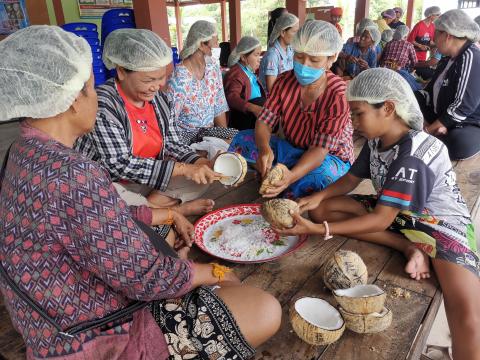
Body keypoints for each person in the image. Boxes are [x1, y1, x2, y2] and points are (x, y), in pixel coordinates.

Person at [0, 25, 282, 360]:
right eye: (90, 88)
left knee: (170, 245)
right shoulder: (73, 172)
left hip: (51, 323)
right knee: (263, 308)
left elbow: (89, 220)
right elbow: (145, 277)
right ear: (74, 98)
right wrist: (211, 272)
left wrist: (166, 213)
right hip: (91, 337)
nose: (96, 94)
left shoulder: (21, 152)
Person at [274, 68, 480, 360]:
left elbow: (381, 220)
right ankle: (408, 246)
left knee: (465, 313)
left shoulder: (412, 155)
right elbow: (350, 180)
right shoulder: (377, 140)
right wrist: (313, 199)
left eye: (358, 114)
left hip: (439, 225)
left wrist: (318, 230)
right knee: (322, 208)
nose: (353, 123)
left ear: (388, 108)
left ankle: (422, 249)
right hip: (396, 211)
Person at [76, 29, 219, 215]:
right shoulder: (104, 105)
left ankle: (151, 211)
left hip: (148, 180)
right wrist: (183, 168)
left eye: (162, 77)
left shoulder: (160, 100)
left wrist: (200, 163)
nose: (158, 85)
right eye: (149, 79)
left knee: (201, 179)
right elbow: (119, 164)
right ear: (121, 72)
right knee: (108, 201)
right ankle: (173, 211)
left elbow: (173, 142)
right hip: (114, 184)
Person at [230, 20, 354, 199]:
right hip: (293, 149)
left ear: (331, 59)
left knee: (318, 176)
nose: (304, 65)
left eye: (314, 59)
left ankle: (286, 180)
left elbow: (319, 151)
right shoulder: (284, 81)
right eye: (299, 56)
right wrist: (265, 149)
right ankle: (280, 175)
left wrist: (291, 177)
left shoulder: (338, 94)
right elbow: (264, 121)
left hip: (328, 159)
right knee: (242, 140)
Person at [415, 10, 480, 161]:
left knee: (459, 143)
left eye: (436, 33)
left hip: (466, 122)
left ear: (447, 35)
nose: (433, 39)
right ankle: (440, 129)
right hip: (441, 114)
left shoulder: (471, 57)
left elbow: (463, 106)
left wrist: (427, 130)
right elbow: (429, 91)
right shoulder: (447, 59)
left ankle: (439, 130)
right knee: (410, 97)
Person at [166, 20, 237, 157]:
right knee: (210, 154)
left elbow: (219, 106)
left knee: (235, 140)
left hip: (207, 132)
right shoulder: (179, 79)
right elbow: (170, 124)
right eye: (215, 43)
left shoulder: (212, 69)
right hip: (185, 138)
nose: (217, 46)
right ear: (202, 45)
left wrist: (224, 140)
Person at [224, 36, 266, 130]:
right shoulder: (236, 73)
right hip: (242, 121)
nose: (259, 59)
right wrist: (254, 108)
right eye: (256, 55)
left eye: (259, 55)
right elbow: (231, 97)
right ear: (243, 57)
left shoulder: (248, 72)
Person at [259, 13, 299, 93]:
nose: (297, 35)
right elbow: (271, 89)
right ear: (283, 33)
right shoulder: (272, 55)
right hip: (274, 100)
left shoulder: (290, 50)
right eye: (294, 32)